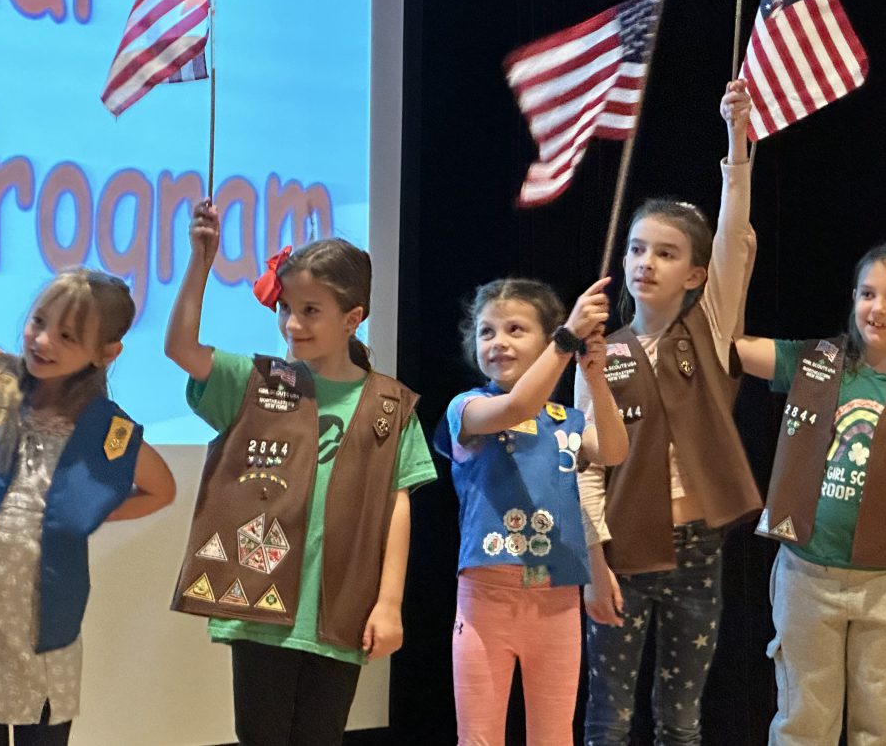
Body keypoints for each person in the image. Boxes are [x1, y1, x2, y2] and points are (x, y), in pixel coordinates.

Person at [165, 200, 435, 746]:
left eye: (311, 310)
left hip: (340, 610)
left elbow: (396, 508)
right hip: (262, 607)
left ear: (352, 317)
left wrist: (388, 604)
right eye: (287, 307)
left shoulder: (390, 404)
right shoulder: (258, 382)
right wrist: (201, 263)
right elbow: (180, 349)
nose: (293, 323)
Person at [577, 81, 762, 745]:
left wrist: (738, 144)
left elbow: (734, 230)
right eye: (636, 249)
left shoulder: (708, 331)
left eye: (665, 252)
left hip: (697, 549)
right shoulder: (600, 352)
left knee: (680, 716)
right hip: (623, 549)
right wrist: (595, 563)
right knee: (609, 712)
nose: (645, 263)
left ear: (694, 273)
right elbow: (585, 468)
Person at [736, 240, 886, 745]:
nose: (877, 308)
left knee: (885, 726)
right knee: (802, 722)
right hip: (806, 575)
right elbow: (730, 347)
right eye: (867, 293)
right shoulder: (814, 363)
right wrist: (738, 264)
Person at [0, 269, 175, 746]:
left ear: (105, 353)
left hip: (42, 625)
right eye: (38, 321)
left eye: (67, 335)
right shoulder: (1, 382)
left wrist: (93, 512)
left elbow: (162, 489)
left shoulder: (107, 429)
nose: (42, 340)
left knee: (43, 731)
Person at [435, 276, 628, 745]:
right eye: (486, 332)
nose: (498, 342)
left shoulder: (566, 421)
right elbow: (519, 405)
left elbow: (616, 451)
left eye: (516, 330)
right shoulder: (470, 408)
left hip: (557, 601)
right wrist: (566, 340)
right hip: (485, 603)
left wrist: (596, 378)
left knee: (553, 736)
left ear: (544, 341)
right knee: (479, 737)